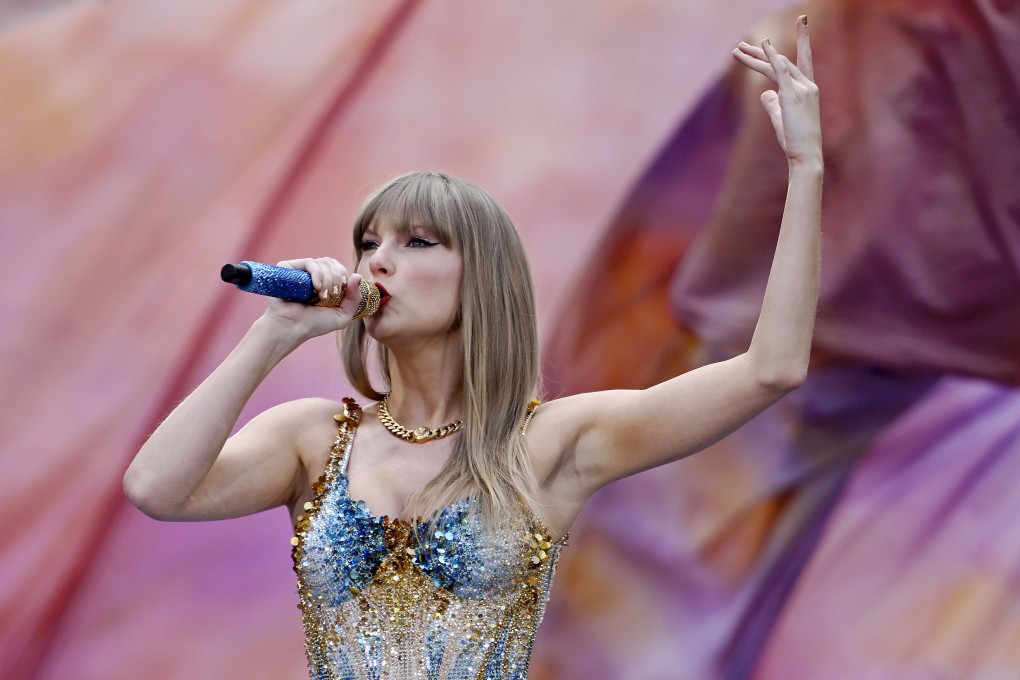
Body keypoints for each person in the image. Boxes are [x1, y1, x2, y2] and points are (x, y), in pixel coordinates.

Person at [123, 17, 820, 680]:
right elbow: (156, 488)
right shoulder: (311, 437)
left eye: (417, 242)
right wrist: (273, 334)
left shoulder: (551, 445)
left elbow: (772, 368)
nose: (379, 262)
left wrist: (806, 169)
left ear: (481, 279)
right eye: (369, 243)